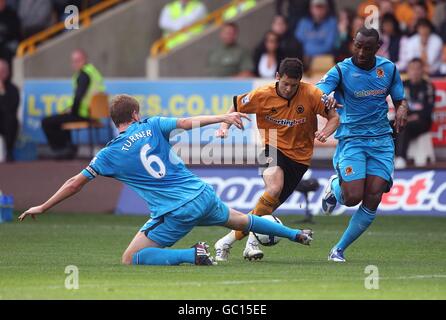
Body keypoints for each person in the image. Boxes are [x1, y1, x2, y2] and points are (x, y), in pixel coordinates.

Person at [19, 95, 314, 266]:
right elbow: (187, 123)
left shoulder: (107, 155)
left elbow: (75, 183)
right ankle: (295, 234)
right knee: (242, 221)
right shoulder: (152, 125)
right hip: (201, 193)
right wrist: (223, 117)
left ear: (115, 121)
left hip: (175, 210)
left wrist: (44, 207)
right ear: (135, 114)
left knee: (131, 258)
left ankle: (192, 254)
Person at [214, 58, 340, 261]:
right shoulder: (262, 95)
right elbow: (235, 106)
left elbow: (334, 117)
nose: (289, 89)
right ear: (277, 77)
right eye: (285, 84)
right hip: (270, 146)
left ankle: (227, 242)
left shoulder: (313, 95)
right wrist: (224, 126)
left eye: (294, 84)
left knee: (267, 209)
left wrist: (325, 132)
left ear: (300, 81)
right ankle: (250, 243)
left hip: (300, 158)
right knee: (274, 188)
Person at [317, 27, 408, 262]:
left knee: (374, 195)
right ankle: (335, 185)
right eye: (358, 45)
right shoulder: (341, 69)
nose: (361, 51)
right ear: (353, 43)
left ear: (377, 48)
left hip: (381, 141)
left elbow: (400, 99)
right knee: (352, 197)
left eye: (367, 48)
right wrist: (324, 98)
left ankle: (338, 249)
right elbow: (318, 90)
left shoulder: (388, 69)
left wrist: (402, 108)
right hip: (352, 139)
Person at [41, 49, 105, 159]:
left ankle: (61, 150)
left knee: (47, 122)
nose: (74, 64)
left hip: (83, 113)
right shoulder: (93, 72)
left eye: (77, 61)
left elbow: (78, 97)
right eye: (73, 61)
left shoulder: (83, 75)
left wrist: (72, 111)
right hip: (93, 114)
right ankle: (69, 148)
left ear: (84, 60)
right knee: (62, 119)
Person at [395, 58, 435, 169]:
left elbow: (429, 109)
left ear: (422, 71)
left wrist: (415, 116)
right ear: (408, 71)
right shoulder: (403, 85)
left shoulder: (428, 86)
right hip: (406, 118)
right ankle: (387, 157)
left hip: (422, 121)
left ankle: (401, 158)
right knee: (387, 125)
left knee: (404, 125)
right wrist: (407, 116)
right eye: (412, 69)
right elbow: (398, 104)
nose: (415, 72)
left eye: (418, 69)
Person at [0, 59, 19, 162]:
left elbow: (12, 107)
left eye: (3, 71)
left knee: (11, 121)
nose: (1, 74)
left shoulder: (13, 89)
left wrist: (2, 93)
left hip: (6, 122)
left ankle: (9, 151)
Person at [0, 0, 21, 68]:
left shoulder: (11, 14)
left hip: (9, 46)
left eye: (2, 1)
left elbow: (16, 35)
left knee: (7, 51)